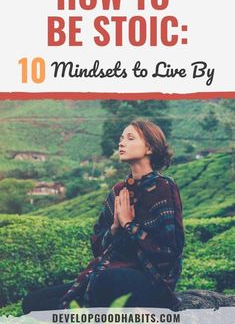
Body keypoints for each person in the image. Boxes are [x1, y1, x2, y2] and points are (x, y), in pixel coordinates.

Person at [22, 120, 184, 313]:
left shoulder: (164, 187)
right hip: (112, 272)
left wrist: (129, 225)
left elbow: (170, 250)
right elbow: (98, 246)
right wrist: (116, 227)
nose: (121, 143)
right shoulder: (119, 190)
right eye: (121, 138)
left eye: (130, 138)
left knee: (104, 281)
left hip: (151, 279)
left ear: (149, 147)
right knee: (33, 303)